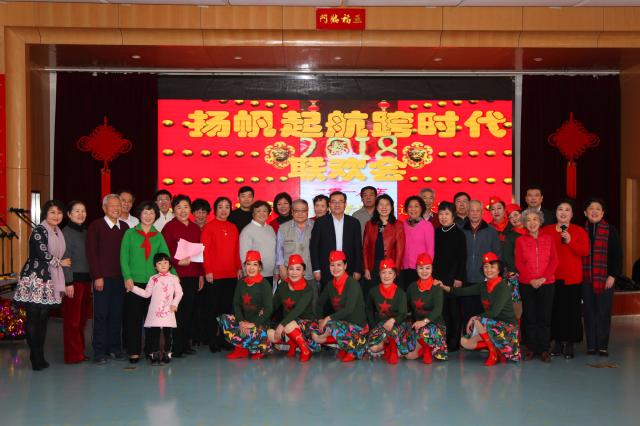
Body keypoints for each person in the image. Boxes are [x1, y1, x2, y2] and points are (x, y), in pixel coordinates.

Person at [14, 200, 71, 370]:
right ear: (45, 214)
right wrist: (60, 263)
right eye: (52, 212)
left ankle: (39, 355)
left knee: (43, 318)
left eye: (59, 213)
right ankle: (34, 356)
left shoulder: (58, 232)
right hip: (35, 278)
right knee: (33, 317)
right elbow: (43, 253)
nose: (56, 216)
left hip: (50, 279)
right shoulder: (39, 230)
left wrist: (59, 263)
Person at [439, 252, 521, 366]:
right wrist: (444, 287)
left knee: (478, 321)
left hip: (508, 329)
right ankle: (497, 349)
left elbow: (494, 312)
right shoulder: (483, 286)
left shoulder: (502, 287)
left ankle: (493, 353)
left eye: (492, 267)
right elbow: (462, 291)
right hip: (491, 326)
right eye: (486, 267)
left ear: (499, 269)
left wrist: (474, 318)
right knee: (464, 342)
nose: (489, 270)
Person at [120, 201, 171, 363]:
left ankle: (151, 350)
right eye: (145, 212)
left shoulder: (158, 236)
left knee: (152, 320)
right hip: (133, 283)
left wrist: (173, 278)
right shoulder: (130, 233)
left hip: (154, 284)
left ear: (156, 216)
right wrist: (127, 277)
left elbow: (166, 258)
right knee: (133, 319)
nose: (148, 216)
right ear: (140, 214)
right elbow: (124, 257)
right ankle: (133, 351)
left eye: (152, 213)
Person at [86, 194, 130, 364]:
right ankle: (99, 351)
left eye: (118, 205)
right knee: (101, 315)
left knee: (117, 314)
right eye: (112, 206)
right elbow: (92, 254)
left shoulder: (125, 227)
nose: (116, 208)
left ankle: (115, 347)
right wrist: (97, 276)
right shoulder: (96, 226)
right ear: (104, 208)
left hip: (120, 278)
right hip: (102, 279)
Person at [544, 199, 590, 359]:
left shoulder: (578, 231)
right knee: (555, 311)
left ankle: (570, 343)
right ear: (555, 213)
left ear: (572, 214)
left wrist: (570, 241)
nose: (563, 213)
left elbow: (585, 251)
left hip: (572, 278)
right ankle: (557, 343)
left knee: (571, 312)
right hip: (552, 277)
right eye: (560, 209)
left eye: (567, 210)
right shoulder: (547, 230)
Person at [162, 194, 204, 358]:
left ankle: (185, 344)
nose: (183, 210)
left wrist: (200, 274)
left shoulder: (195, 228)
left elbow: (199, 253)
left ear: (190, 209)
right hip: (175, 275)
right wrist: (177, 262)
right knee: (176, 311)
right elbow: (163, 253)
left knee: (189, 310)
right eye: (179, 207)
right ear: (173, 210)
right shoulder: (169, 227)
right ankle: (174, 346)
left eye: (186, 207)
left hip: (193, 275)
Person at [516, 208, 558, 362]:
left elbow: (554, 260)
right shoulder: (520, 240)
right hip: (527, 283)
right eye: (528, 220)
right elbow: (519, 262)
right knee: (530, 316)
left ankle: (544, 348)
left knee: (545, 316)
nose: (532, 222)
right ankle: (531, 348)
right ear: (524, 223)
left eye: (535, 219)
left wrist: (543, 278)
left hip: (547, 283)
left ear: (540, 221)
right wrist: (531, 279)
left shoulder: (549, 238)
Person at [126, 253, 183, 365]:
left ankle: (167, 354)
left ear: (170, 265)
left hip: (168, 311)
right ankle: (154, 355)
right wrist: (133, 288)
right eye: (159, 263)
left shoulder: (174, 279)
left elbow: (179, 293)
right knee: (154, 334)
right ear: (155, 266)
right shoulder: (153, 279)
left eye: (165, 262)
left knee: (167, 334)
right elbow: (146, 294)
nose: (163, 265)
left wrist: (174, 303)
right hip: (155, 312)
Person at [201, 196, 242, 353]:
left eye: (227, 207)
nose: (224, 210)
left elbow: (236, 250)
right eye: (220, 207)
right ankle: (212, 339)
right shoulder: (209, 227)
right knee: (212, 309)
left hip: (231, 274)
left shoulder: (233, 227)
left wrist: (238, 267)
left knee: (227, 310)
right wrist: (208, 270)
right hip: (215, 275)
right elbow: (205, 251)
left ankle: (225, 339)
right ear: (215, 209)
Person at [582, 198, 622, 357]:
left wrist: (613, 275)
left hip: (605, 278)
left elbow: (617, 255)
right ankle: (591, 345)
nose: (594, 211)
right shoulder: (580, 230)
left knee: (603, 312)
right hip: (586, 278)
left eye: (598, 209)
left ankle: (603, 346)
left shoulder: (611, 230)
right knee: (589, 312)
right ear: (585, 213)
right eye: (591, 208)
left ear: (603, 213)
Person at [312, 251, 369, 362]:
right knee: (314, 329)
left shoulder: (352, 284)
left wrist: (327, 318)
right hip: (341, 324)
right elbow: (319, 303)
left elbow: (349, 309)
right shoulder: (330, 284)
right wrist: (319, 319)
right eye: (332, 265)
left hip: (357, 326)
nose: (335, 268)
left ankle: (354, 349)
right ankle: (345, 346)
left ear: (345, 266)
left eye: (339, 265)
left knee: (330, 325)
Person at [219, 250, 273, 360]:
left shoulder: (264, 284)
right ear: (244, 266)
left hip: (259, 323)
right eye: (248, 264)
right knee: (224, 319)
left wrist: (253, 324)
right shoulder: (241, 282)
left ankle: (260, 348)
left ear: (260, 267)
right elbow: (236, 304)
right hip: (244, 321)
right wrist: (240, 321)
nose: (251, 268)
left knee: (259, 332)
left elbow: (268, 309)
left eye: (255, 264)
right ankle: (241, 350)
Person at [268, 254, 319, 362]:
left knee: (288, 325)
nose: (294, 272)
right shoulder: (282, 285)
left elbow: (297, 310)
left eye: (298, 269)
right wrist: (262, 314)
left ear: (303, 272)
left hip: (306, 325)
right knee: (269, 334)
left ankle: (305, 349)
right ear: (287, 271)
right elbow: (273, 305)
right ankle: (292, 344)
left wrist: (282, 324)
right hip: (288, 324)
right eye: (291, 269)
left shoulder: (308, 288)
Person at [461, 200, 501, 331]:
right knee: (466, 312)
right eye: (471, 210)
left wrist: (493, 277)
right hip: (466, 279)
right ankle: (467, 337)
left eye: (477, 210)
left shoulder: (491, 231)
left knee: (483, 313)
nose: (474, 213)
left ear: (482, 212)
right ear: (467, 212)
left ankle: (483, 339)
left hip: (484, 279)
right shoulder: (461, 231)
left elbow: (497, 255)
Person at [432, 201, 466, 351]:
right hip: (438, 278)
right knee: (442, 310)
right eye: (441, 214)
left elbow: (462, 258)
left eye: (447, 214)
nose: (443, 217)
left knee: (454, 310)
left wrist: (459, 278)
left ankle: (454, 341)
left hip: (453, 279)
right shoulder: (437, 232)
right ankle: (444, 339)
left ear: (453, 216)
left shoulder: (459, 233)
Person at [310, 191, 363, 288]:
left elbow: (358, 248)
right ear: (329, 204)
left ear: (345, 204)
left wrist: (358, 269)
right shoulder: (320, 222)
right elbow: (314, 247)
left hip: (348, 268)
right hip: (326, 268)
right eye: (334, 202)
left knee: (348, 294)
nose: (337, 204)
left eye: (340, 201)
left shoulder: (354, 222)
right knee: (327, 295)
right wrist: (316, 269)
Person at [61, 201, 91, 364]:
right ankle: (73, 355)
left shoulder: (85, 232)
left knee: (82, 320)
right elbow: (65, 259)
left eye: (83, 211)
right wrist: (68, 283)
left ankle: (80, 351)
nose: (81, 214)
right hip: (73, 282)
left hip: (86, 281)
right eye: (77, 211)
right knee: (72, 321)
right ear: (69, 214)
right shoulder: (65, 232)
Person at [366, 258, 411, 365]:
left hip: (398, 324)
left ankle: (393, 348)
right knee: (373, 348)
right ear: (379, 274)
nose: (386, 276)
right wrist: (373, 326)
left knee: (394, 334)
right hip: (381, 325)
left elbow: (403, 314)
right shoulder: (373, 291)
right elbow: (369, 309)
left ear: (395, 275)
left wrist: (393, 320)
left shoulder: (401, 293)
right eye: (383, 272)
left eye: (390, 273)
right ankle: (387, 345)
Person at [404, 253, 447, 364]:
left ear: (432, 269)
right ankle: (424, 348)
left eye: (427, 268)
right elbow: (404, 306)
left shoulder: (436, 287)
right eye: (421, 268)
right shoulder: (412, 287)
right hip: (418, 327)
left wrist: (424, 321)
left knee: (423, 331)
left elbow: (438, 310)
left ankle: (428, 350)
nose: (424, 271)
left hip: (435, 326)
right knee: (409, 356)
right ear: (416, 269)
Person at [363, 194, 405, 297]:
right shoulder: (369, 224)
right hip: (374, 266)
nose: (384, 207)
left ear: (391, 207)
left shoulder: (398, 225)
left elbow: (400, 250)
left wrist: (396, 270)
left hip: (390, 267)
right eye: (381, 204)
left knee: (390, 296)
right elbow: (365, 248)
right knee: (374, 295)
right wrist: (366, 268)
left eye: (387, 204)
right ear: (376, 207)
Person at [239, 200, 277, 287]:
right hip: (254, 276)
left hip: (271, 274)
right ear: (253, 214)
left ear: (269, 213)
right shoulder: (247, 231)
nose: (262, 213)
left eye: (265, 211)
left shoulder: (270, 229)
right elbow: (243, 256)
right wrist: (248, 275)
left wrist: (276, 270)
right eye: (258, 211)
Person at [276, 199, 314, 282]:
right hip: (289, 274)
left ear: (307, 211)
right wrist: (281, 267)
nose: (300, 214)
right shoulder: (283, 228)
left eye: (303, 211)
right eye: (297, 211)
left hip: (310, 273)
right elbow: (279, 250)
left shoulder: (316, 226)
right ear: (292, 212)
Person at [401, 195, 435, 290]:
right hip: (404, 268)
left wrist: (426, 269)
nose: (413, 209)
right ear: (406, 209)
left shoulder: (427, 225)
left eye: (416, 206)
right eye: (410, 206)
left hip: (421, 269)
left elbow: (430, 249)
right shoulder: (402, 225)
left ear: (422, 208)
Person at [502, 203, 526, 321]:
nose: (514, 219)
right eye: (511, 217)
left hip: (533, 274)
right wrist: (520, 270)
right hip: (515, 275)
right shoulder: (510, 235)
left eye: (516, 215)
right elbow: (508, 257)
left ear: (522, 214)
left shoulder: (532, 230)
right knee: (517, 307)